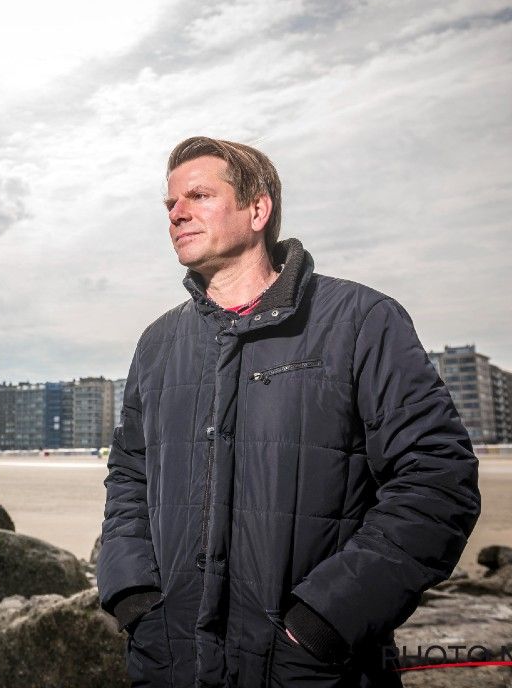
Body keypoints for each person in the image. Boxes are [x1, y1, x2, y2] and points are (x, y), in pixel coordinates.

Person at [97, 136, 480, 687]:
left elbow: (438, 478)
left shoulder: (360, 320)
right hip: (171, 662)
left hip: (312, 669)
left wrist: (327, 619)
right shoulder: (158, 342)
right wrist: (133, 596)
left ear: (258, 210)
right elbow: (130, 475)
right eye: (170, 203)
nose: (176, 213)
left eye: (198, 196)